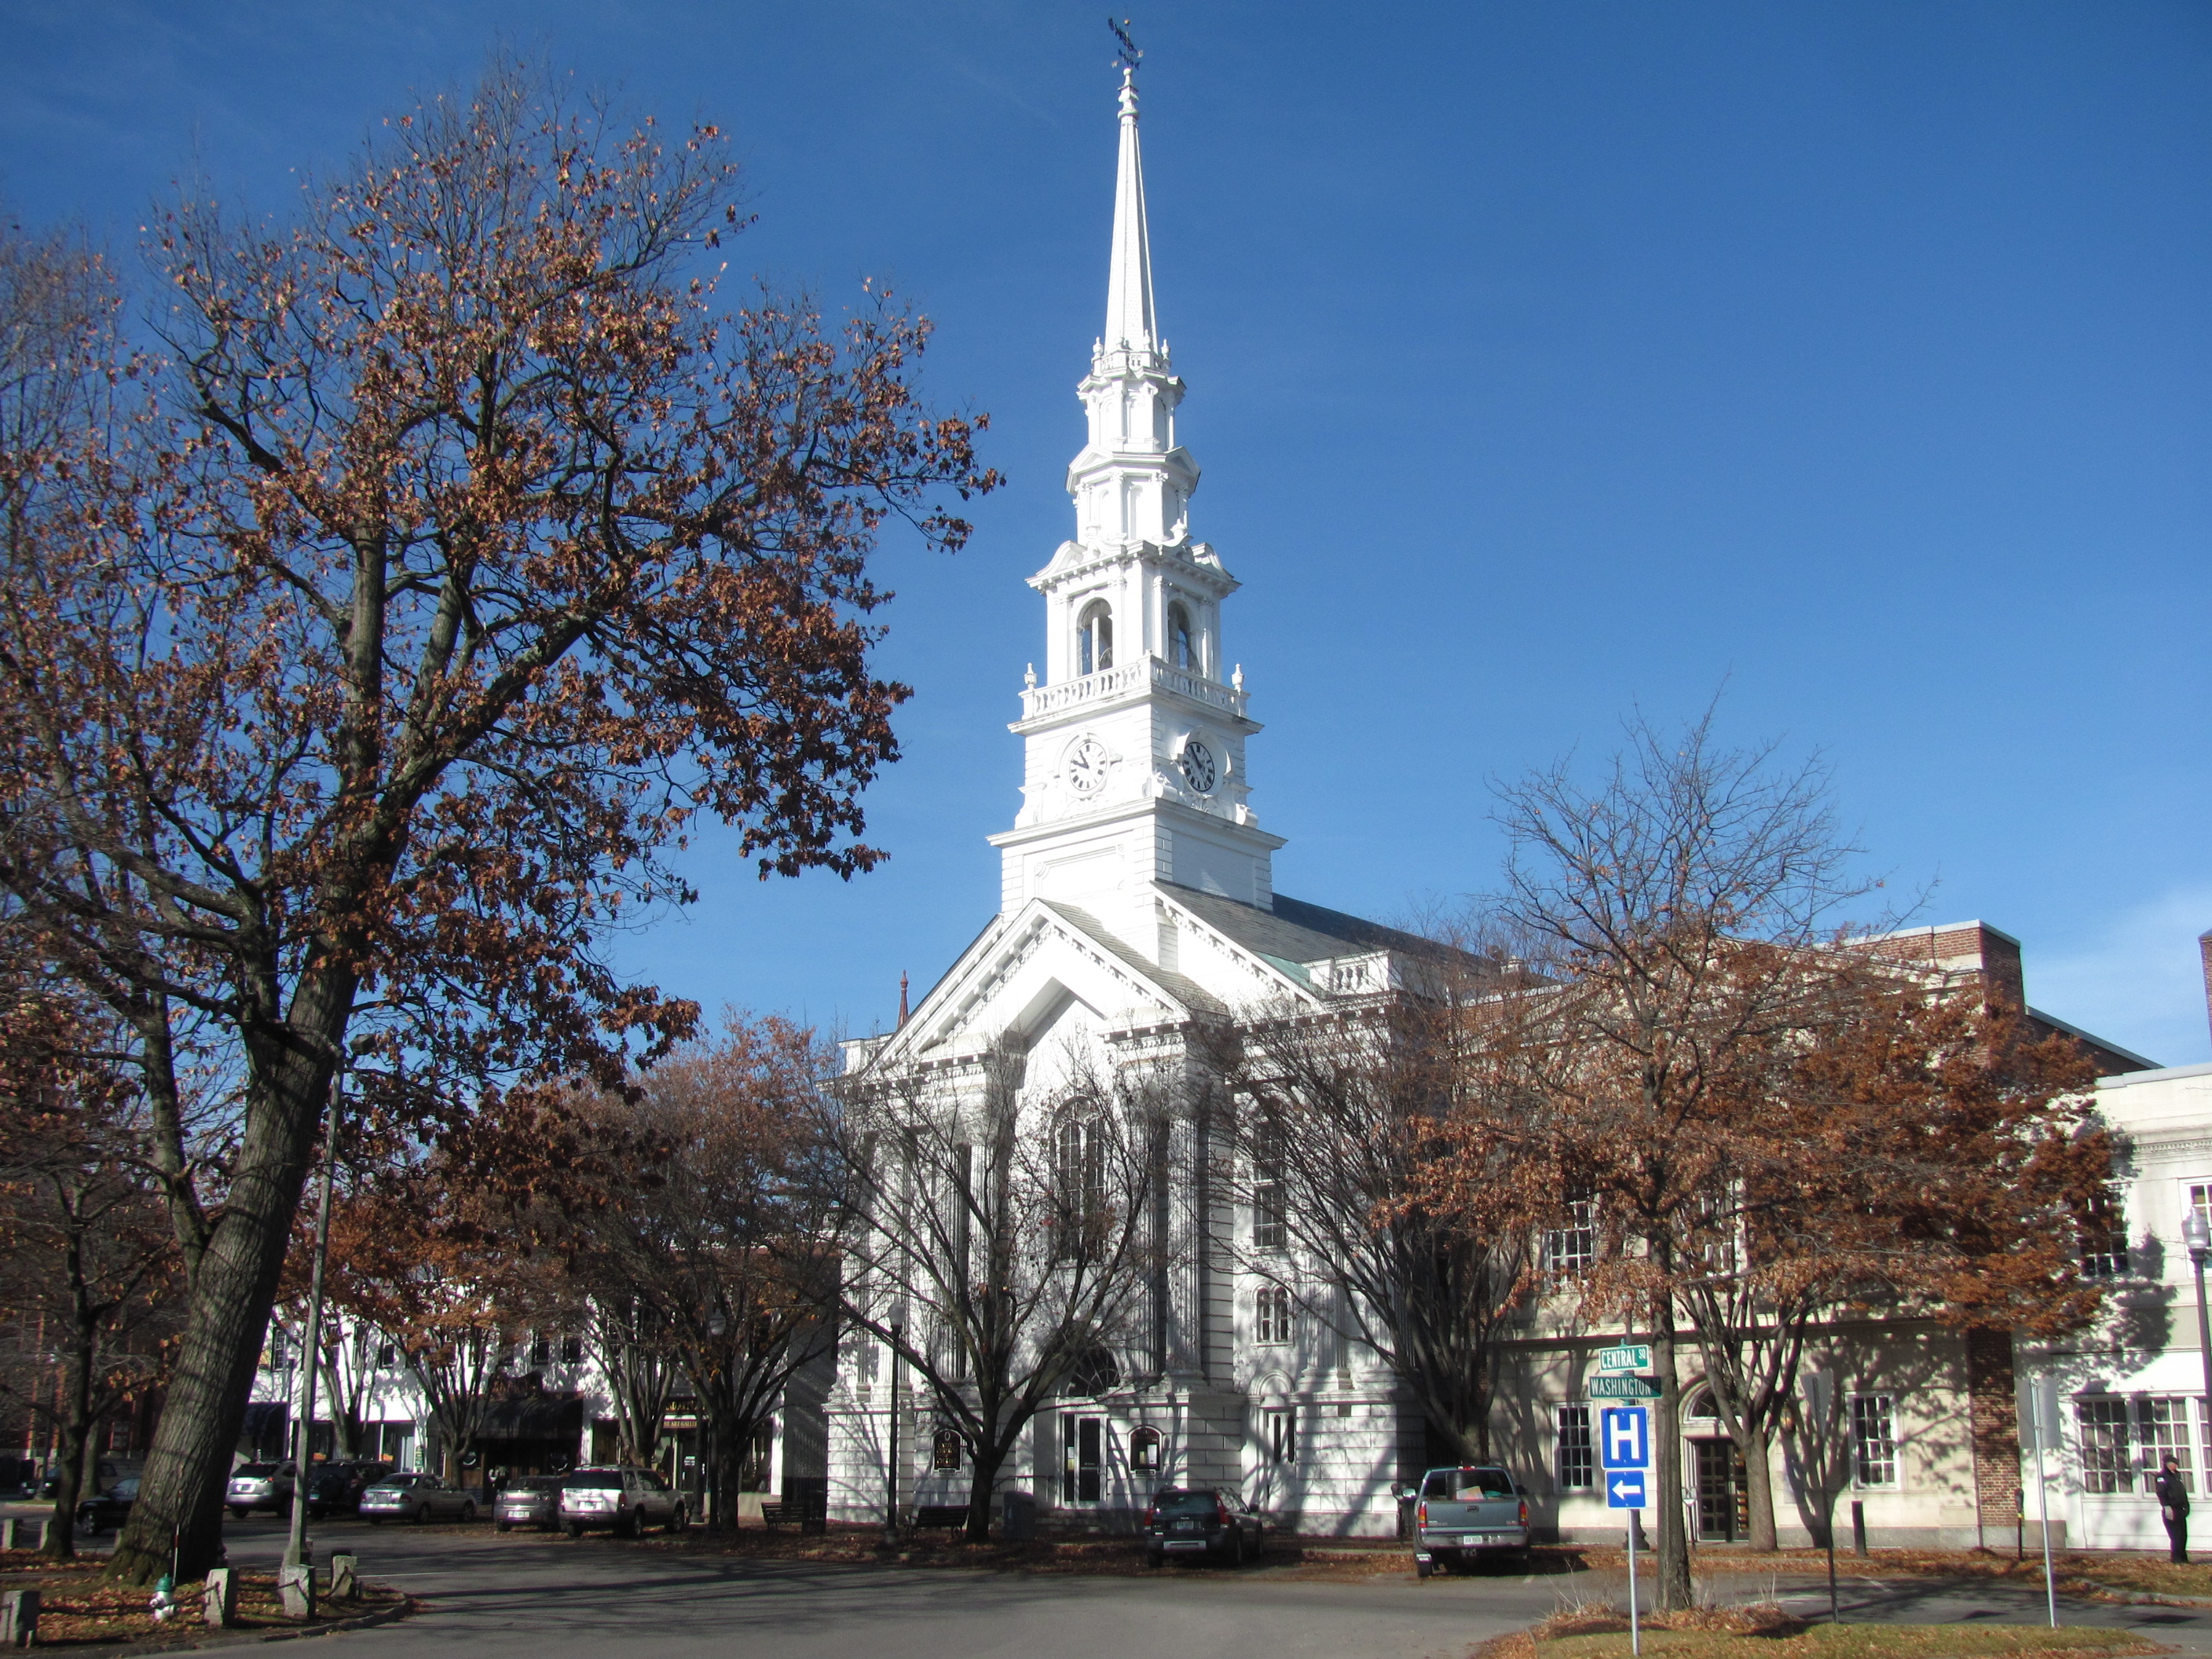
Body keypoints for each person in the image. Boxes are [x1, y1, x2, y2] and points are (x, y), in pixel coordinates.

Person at [2155, 1453, 2192, 1565]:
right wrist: (2167, 1507)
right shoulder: (2162, 1477)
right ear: (2167, 1464)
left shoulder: (2176, 1477)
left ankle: (2183, 1559)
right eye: (2173, 1463)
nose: (2175, 1466)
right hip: (2171, 1510)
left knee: (2183, 1535)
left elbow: (2182, 1493)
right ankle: (2177, 1560)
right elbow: (2161, 1493)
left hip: (2180, 1509)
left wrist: (2187, 1507)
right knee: (2176, 1537)